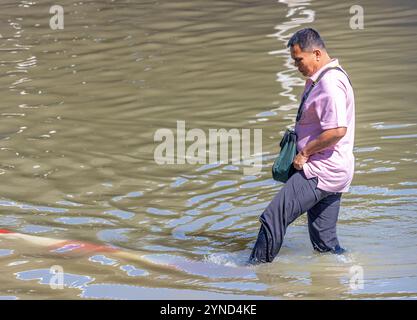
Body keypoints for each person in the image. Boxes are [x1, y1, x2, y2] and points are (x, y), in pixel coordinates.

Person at [249, 28, 355, 264]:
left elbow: (337, 131)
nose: (296, 66)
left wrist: (305, 152)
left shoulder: (330, 84)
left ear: (316, 54)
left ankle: (252, 271)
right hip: (335, 171)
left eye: (299, 60)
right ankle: (342, 277)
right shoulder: (325, 78)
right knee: (324, 244)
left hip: (319, 169)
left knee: (273, 216)